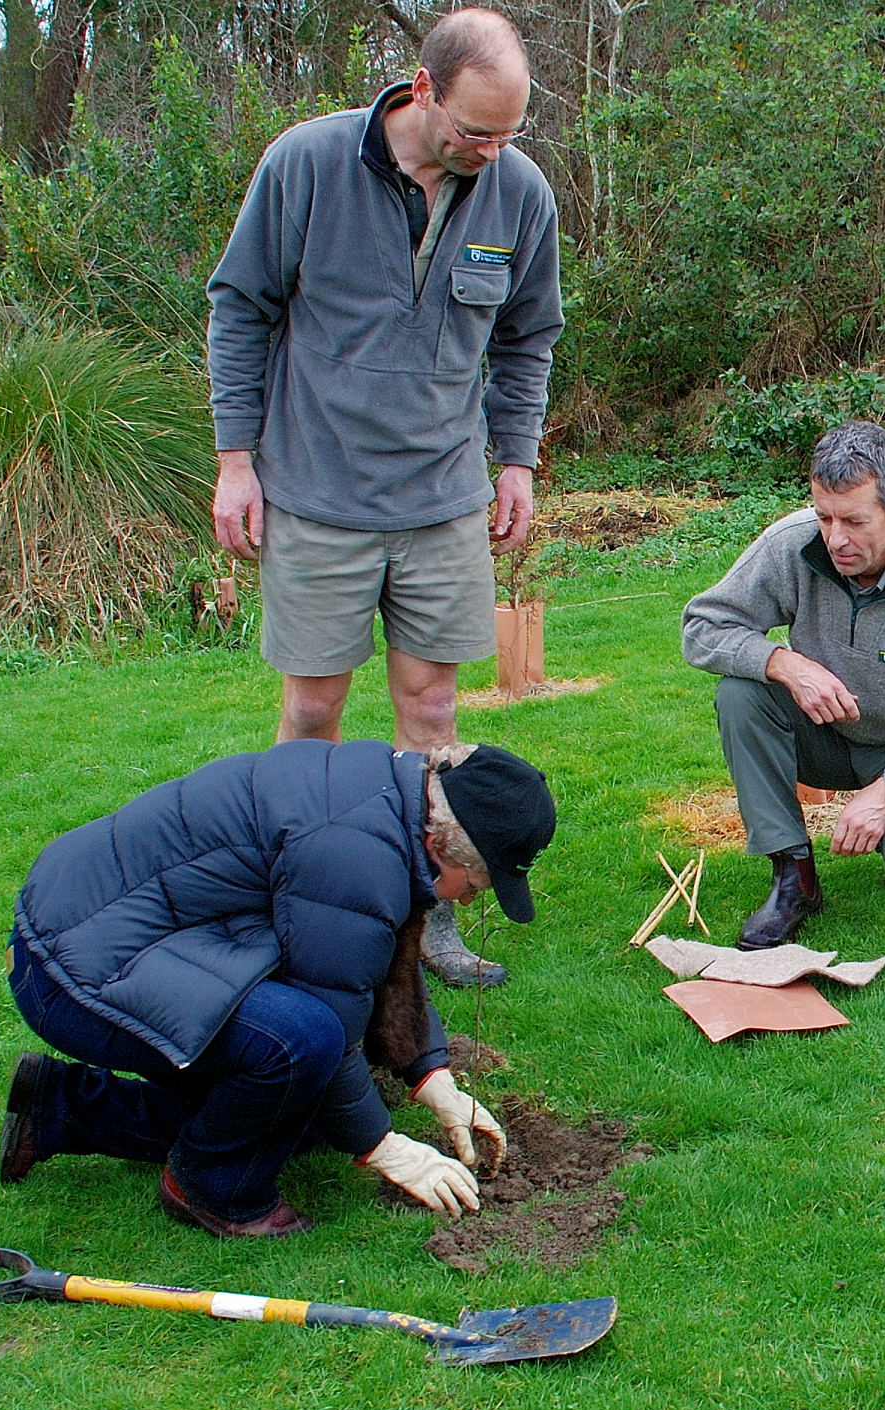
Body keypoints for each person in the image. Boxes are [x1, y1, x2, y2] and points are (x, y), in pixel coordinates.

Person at [206, 7, 562, 988]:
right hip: (316, 494)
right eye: (473, 131)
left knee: (431, 709)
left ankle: (421, 918)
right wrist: (236, 459)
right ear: (422, 88)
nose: (490, 152)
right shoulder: (306, 164)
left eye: (508, 133)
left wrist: (517, 460)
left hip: (441, 501)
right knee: (314, 710)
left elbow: (529, 336)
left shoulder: (517, 194)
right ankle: (289, 904)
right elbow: (240, 307)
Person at [0, 740, 555, 1238]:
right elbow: (332, 1024)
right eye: (477, 882)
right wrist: (387, 1148)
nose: (467, 899)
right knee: (300, 1043)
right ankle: (210, 1188)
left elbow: (370, 959)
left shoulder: (390, 799)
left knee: (297, 1108)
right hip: (74, 966)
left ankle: (58, 1109)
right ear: (439, 845)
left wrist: (432, 1076)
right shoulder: (354, 854)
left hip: (103, 929)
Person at [681, 421, 885, 948]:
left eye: (854, 521)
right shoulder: (790, 545)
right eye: (824, 517)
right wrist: (784, 663)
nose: (835, 539)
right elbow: (702, 626)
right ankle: (794, 875)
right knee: (740, 693)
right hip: (822, 735)